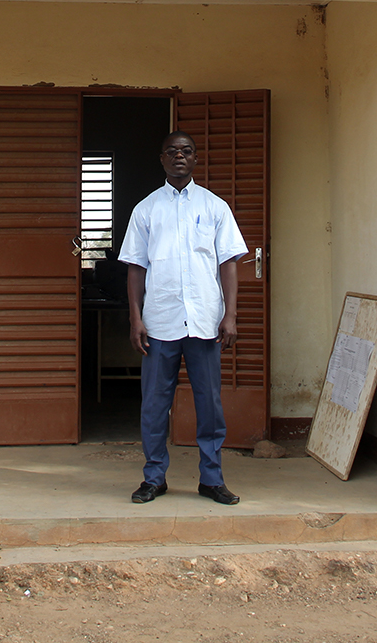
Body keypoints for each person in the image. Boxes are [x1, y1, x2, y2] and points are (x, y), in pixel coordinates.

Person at [117, 130, 248, 506]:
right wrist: (135, 319)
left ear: (195, 159)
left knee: (210, 404)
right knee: (155, 404)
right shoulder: (146, 209)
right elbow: (136, 270)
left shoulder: (214, 207)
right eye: (172, 152)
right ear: (162, 159)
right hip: (159, 323)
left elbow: (228, 265)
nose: (179, 157)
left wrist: (230, 315)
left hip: (206, 322)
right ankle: (154, 477)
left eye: (186, 151)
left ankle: (211, 479)